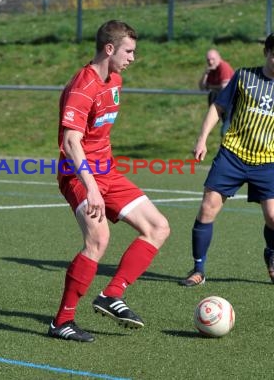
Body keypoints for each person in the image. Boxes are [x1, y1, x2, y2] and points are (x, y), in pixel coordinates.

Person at [47, 20, 170, 342]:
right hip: (78, 174)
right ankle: (62, 321)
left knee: (158, 227)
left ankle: (111, 295)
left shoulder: (114, 79)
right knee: (98, 239)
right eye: (129, 51)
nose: (133, 57)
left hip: (107, 172)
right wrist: (91, 188)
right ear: (110, 48)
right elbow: (72, 143)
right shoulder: (82, 86)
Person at [180, 31, 274, 288]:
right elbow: (218, 107)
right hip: (233, 155)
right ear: (266, 53)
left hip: (269, 161)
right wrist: (202, 138)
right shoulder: (244, 77)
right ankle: (198, 269)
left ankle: (271, 255)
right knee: (207, 209)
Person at [198, 49, 234, 136]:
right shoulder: (211, 70)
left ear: (219, 58)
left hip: (231, 104)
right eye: (208, 60)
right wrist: (205, 74)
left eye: (213, 59)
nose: (210, 62)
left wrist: (210, 86)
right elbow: (202, 87)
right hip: (221, 104)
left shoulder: (223, 67)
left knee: (225, 132)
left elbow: (224, 87)